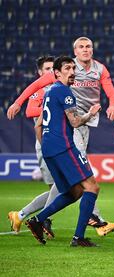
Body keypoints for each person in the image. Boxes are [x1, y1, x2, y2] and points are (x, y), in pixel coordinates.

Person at [6, 37, 114, 236]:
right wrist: (18, 102)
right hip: (69, 128)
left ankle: (28, 215)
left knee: (66, 188)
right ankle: (96, 220)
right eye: (81, 47)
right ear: (75, 51)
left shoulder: (99, 69)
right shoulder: (65, 70)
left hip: (82, 126)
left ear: (93, 50)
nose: (85, 50)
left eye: (88, 47)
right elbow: (36, 85)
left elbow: (111, 92)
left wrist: (112, 105)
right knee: (87, 181)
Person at [26, 56, 102, 247]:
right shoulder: (65, 92)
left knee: (74, 192)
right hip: (64, 147)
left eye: (73, 68)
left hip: (49, 150)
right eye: (67, 68)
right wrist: (90, 114)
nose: (72, 72)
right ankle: (78, 238)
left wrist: (47, 146)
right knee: (92, 187)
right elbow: (75, 122)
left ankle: (37, 220)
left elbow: (38, 126)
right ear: (57, 73)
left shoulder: (49, 92)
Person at [7, 56, 57, 238]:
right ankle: (34, 218)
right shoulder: (40, 91)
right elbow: (29, 111)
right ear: (40, 73)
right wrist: (51, 108)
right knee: (60, 188)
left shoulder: (58, 89)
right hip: (45, 144)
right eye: (47, 68)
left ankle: (22, 216)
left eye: (53, 68)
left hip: (57, 144)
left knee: (60, 188)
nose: (51, 71)